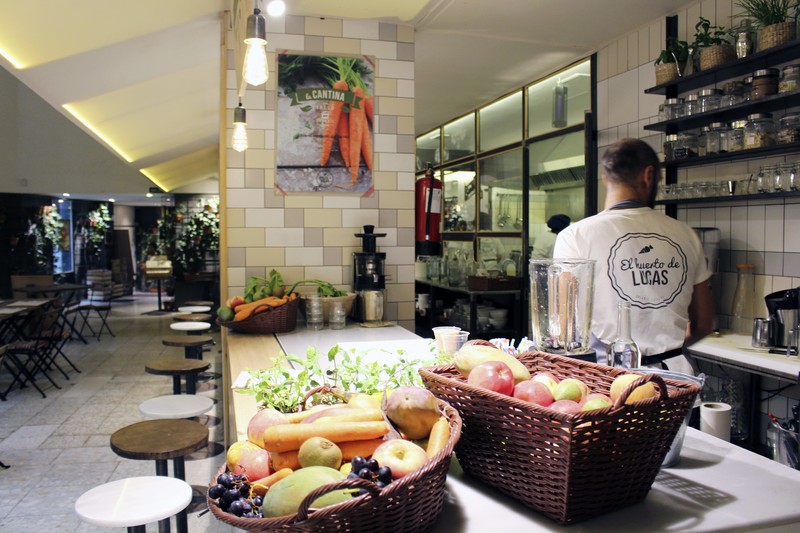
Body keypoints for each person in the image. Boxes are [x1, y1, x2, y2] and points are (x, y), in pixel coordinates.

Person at [553, 138, 714, 372]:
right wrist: (665, 351)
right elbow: (704, 324)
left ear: (606, 179)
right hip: (675, 380)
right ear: (649, 175)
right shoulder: (687, 235)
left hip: (609, 379)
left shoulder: (575, 236)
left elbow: (564, 327)